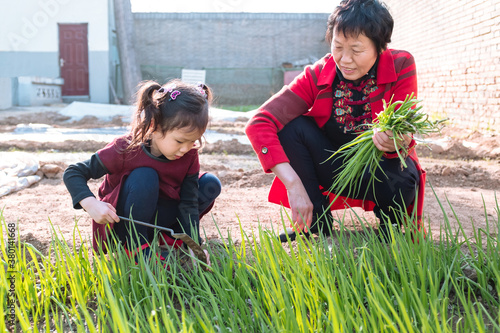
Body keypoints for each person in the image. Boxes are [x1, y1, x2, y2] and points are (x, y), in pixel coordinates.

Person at [245, 0, 426, 242]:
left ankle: (391, 227)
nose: (345, 59)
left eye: (357, 50)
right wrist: (293, 185)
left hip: (380, 172)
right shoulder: (319, 73)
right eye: (338, 46)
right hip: (334, 169)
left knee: (404, 172)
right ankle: (316, 223)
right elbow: (259, 122)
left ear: (379, 47)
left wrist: (396, 140)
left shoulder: (401, 64)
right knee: (292, 128)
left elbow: (405, 127)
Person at [63, 79, 221, 265]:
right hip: (124, 221)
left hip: (158, 215)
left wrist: (194, 245)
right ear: (153, 126)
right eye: (179, 141)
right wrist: (91, 204)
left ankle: (168, 239)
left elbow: (188, 203)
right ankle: (135, 248)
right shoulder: (125, 148)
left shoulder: (188, 154)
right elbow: (73, 173)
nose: (186, 148)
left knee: (210, 184)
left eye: (193, 141)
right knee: (146, 176)